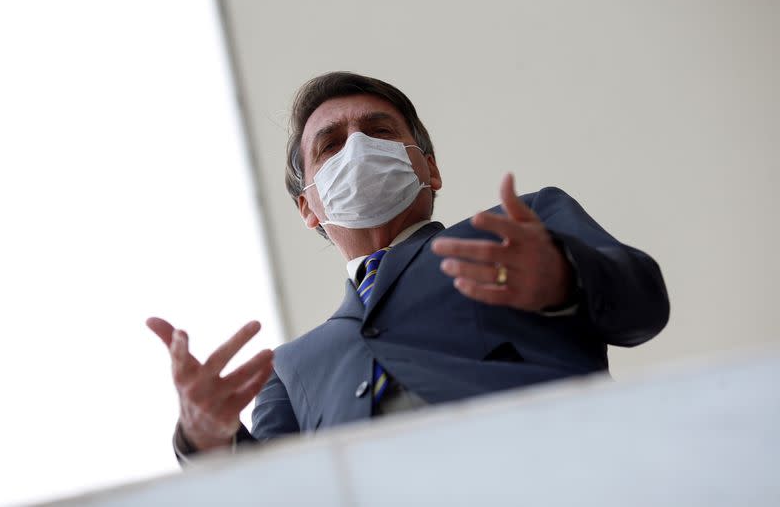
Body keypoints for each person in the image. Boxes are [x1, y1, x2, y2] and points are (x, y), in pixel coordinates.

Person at [147, 72, 670, 462]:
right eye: (331, 144)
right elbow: (272, 492)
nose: (358, 146)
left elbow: (643, 306)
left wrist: (563, 276)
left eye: (378, 130)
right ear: (308, 208)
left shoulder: (520, 228)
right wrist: (205, 439)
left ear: (431, 168)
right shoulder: (288, 370)